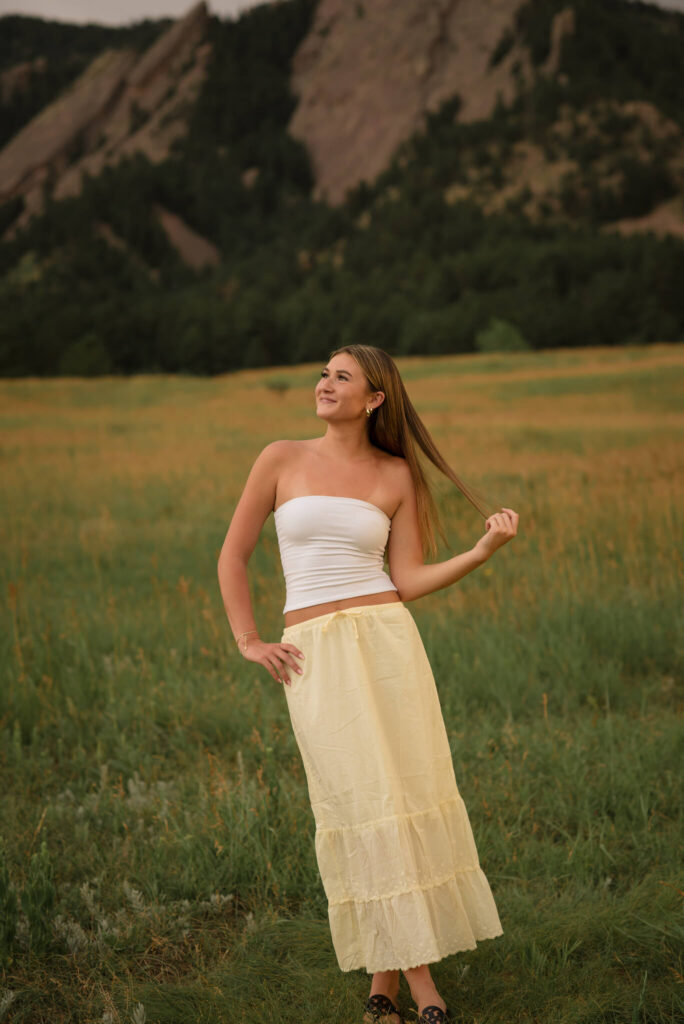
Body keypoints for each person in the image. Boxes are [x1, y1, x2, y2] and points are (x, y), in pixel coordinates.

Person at [217, 344, 518, 1024]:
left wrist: (477, 553)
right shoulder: (281, 458)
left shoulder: (395, 474)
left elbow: (405, 580)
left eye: (341, 376)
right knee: (357, 805)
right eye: (324, 372)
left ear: (374, 398)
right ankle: (425, 990)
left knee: (401, 795)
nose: (325, 383)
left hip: (386, 646)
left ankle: (389, 992)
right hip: (315, 655)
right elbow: (233, 555)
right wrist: (249, 642)